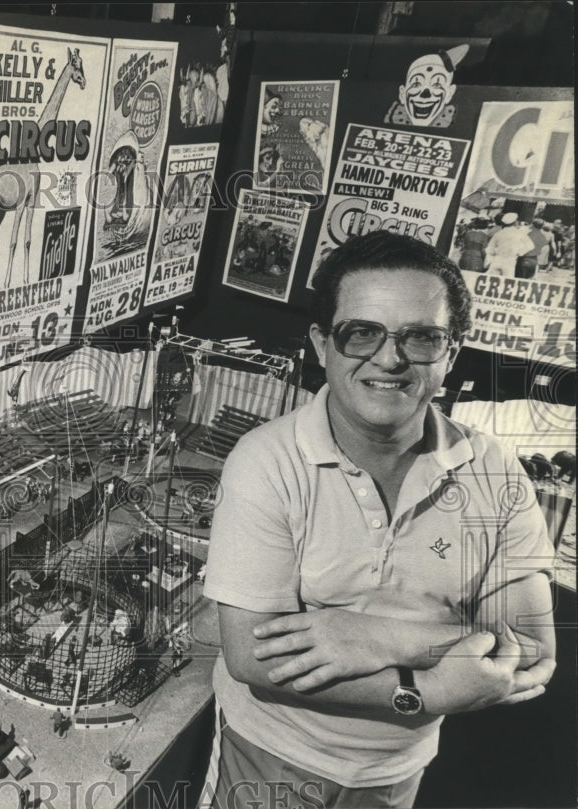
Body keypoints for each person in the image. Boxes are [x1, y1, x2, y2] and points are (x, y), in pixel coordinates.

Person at [201, 231, 556, 809]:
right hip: (268, 755)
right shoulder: (266, 461)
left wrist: (381, 637)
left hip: (397, 770)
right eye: (360, 332)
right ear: (322, 344)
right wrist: (427, 688)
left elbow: (534, 653)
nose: (389, 358)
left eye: (421, 337)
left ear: (451, 353)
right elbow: (252, 657)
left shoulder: (494, 469)